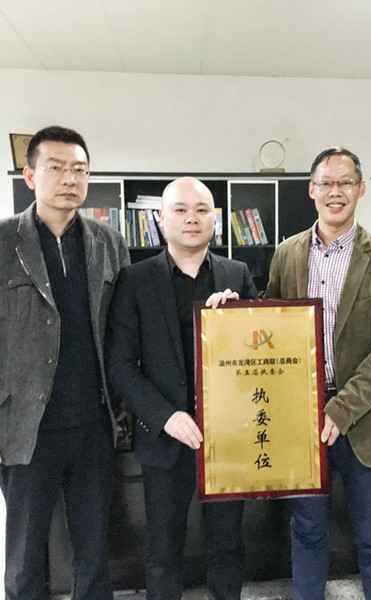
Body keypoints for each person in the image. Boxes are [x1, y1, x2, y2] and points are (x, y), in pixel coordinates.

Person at [0, 125, 129, 600]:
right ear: (30, 176)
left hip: (94, 423)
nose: (70, 179)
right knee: (26, 551)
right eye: (56, 167)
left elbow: (122, 329)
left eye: (80, 170)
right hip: (24, 426)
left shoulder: (109, 242)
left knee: (94, 546)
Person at [265, 147, 371, 600]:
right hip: (301, 418)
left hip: (367, 418)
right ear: (311, 190)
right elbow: (272, 324)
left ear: (361, 189)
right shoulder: (286, 254)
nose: (336, 192)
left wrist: (342, 407)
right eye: (326, 183)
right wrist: (231, 310)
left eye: (345, 182)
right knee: (307, 528)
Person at [104, 177, 256, 600]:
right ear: (160, 219)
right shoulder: (134, 279)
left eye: (202, 210)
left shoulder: (237, 274)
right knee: (163, 548)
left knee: (227, 544)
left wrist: (239, 321)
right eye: (181, 210)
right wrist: (165, 416)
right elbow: (120, 365)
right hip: (165, 437)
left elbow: (261, 354)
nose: (192, 218)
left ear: (214, 219)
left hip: (227, 439)